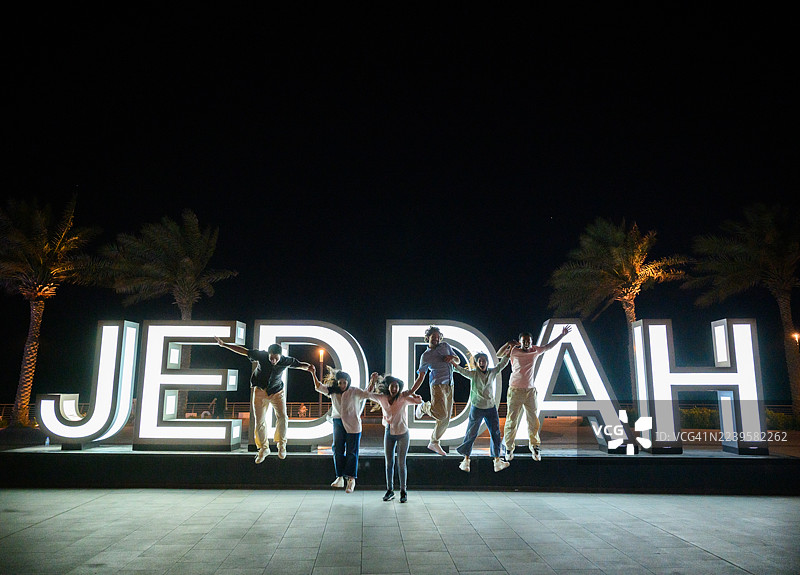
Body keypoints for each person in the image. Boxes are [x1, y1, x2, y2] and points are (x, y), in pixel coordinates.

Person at [214, 337, 313, 462]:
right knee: (259, 420)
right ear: (268, 354)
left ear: (280, 356)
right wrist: (224, 345)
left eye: (276, 358)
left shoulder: (286, 360)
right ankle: (263, 448)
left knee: (283, 417)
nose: (273, 360)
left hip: (277, 392)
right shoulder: (261, 355)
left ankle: (281, 445)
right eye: (271, 357)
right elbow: (243, 351)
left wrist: (309, 367)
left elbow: (299, 365)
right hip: (260, 390)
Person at [503, 326, 571, 461]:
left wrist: (562, 335)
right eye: (524, 341)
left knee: (533, 420)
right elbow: (499, 354)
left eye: (528, 340)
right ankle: (509, 448)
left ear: (531, 341)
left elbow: (548, 346)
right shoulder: (514, 351)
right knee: (512, 420)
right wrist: (508, 345)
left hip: (530, 391)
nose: (527, 343)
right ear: (520, 342)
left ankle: (534, 447)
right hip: (515, 390)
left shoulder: (535, 350)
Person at [449, 349, 511, 473]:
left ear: (487, 362)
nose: (482, 363)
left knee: (496, 433)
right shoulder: (473, 374)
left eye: (484, 361)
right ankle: (466, 460)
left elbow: (502, 365)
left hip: (491, 408)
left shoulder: (492, 372)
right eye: (480, 361)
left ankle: (497, 460)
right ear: (477, 363)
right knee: (471, 433)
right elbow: (461, 370)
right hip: (477, 408)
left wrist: (508, 354)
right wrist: (452, 363)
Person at [311, 367, 371, 493]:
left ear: (348, 382)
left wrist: (373, 381)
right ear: (337, 383)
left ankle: (351, 479)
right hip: (338, 422)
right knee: (337, 450)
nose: (342, 385)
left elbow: (366, 394)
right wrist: (313, 373)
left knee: (352, 452)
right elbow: (318, 386)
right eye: (340, 383)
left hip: (353, 424)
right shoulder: (333, 391)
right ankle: (339, 477)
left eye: (344, 382)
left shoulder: (354, 391)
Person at [367, 372, 422, 503]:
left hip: (403, 434)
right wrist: (372, 381)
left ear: (399, 388)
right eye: (392, 386)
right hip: (389, 433)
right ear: (388, 387)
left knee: (401, 463)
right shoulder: (382, 398)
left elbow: (419, 400)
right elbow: (367, 394)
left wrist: (412, 394)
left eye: (396, 386)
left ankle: (403, 491)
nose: (394, 388)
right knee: (389, 463)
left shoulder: (403, 397)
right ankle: (390, 490)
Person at [411, 326, 460, 455]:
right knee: (442, 415)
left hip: (450, 385)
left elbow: (458, 360)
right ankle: (423, 407)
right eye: (434, 337)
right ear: (428, 338)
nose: (436, 339)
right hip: (437, 386)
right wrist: (412, 391)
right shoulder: (425, 356)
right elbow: (421, 376)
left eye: (438, 337)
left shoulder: (445, 346)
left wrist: (452, 358)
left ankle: (434, 442)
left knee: (446, 419)